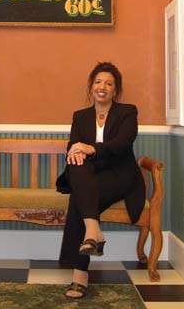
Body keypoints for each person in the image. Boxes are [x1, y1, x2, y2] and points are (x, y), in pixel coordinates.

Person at [58, 61, 145, 299]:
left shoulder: (127, 112)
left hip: (120, 175)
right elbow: (72, 146)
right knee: (76, 164)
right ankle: (93, 231)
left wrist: (91, 149)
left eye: (108, 83)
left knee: (79, 197)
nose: (102, 87)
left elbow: (123, 143)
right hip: (90, 175)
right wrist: (76, 150)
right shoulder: (80, 116)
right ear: (91, 86)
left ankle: (79, 275)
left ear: (115, 90)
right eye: (98, 82)